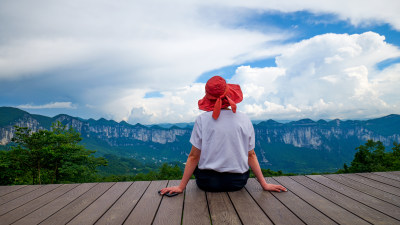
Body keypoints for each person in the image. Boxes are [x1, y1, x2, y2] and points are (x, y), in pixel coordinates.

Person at [160, 76, 286, 194]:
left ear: (208, 97)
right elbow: (251, 155)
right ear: (229, 94)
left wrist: (181, 187)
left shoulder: (202, 120)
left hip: (207, 183)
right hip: (237, 183)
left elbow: (193, 157)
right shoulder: (244, 119)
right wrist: (264, 184)